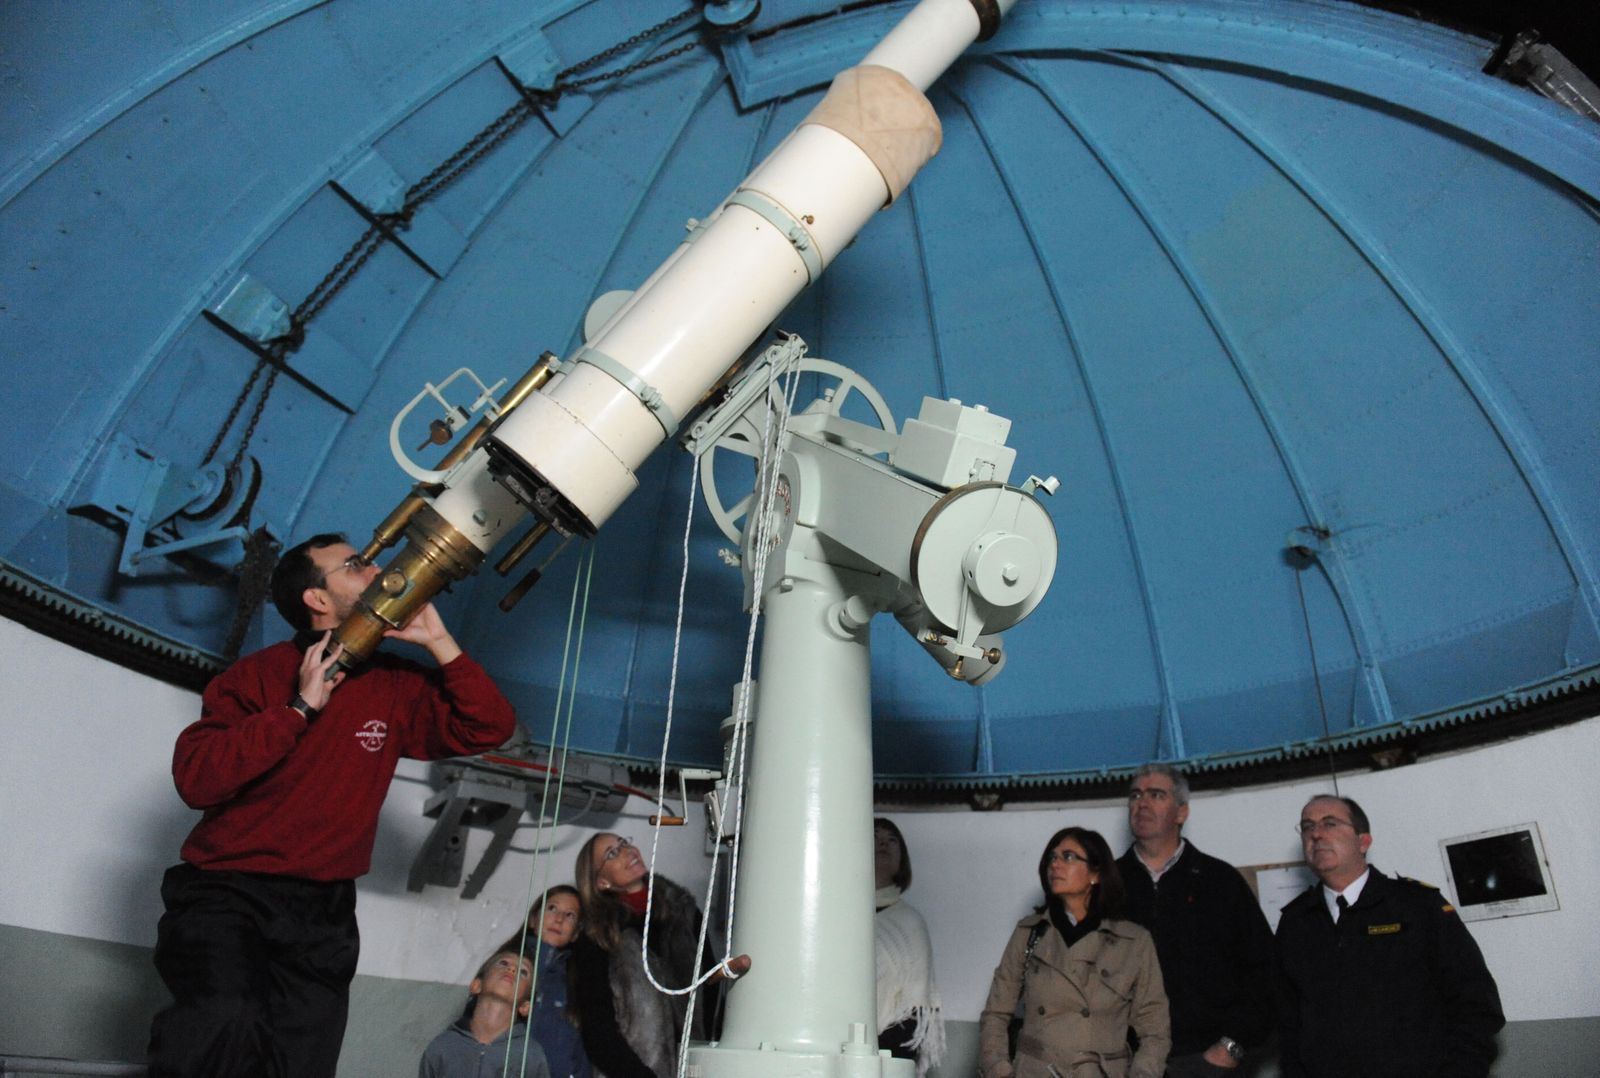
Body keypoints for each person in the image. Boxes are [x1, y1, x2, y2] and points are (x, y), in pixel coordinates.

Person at [147, 532, 517, 1077]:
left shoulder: (395, 684)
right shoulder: (256, 676)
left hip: (323, 913)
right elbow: (197, 779)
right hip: (228, 894)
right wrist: (298, 709)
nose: (376, 571)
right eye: (355, 565)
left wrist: (440, 642)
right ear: (317, 599)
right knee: (222, 1024)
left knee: (303, 1061)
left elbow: (489, 726)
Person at [1276, 794, 1505, 1077]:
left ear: (1363, 841)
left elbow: (1475, 1002)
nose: (1316, 834)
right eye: (1307, 826)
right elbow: (1289, 1020)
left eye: (1330, 823)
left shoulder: (1417, 906)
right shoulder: (1296, 922)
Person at [1116, 764, 1275, 1075]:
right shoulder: (1105, 885)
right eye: (1135, 795)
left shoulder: (1220, 881)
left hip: (1205, 1062)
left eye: (1156, 795)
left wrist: (1231, 1047)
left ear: (1181, 812)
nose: (1142, 803)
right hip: (1125, 1062)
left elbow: (1264, 973)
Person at [979, 827, 1170, 1078]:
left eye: (1068, 857)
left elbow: (1155, 1031)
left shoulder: (1133, 942)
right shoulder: (1030, 933)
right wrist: (999, 1070)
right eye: (1052, 857)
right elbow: (995, 1013)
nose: (1055, 864)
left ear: (1095, 873)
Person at [568, 833, 717, 1077]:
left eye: (624, 843)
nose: (627, 851)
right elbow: (597, 1027)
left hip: (694, 1069)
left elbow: (711, 990)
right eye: (612, 853)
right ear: (602, 882)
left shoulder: (685, 914)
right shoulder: (598, 936)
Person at [874, 817, 945, 1078]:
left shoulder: (910, 923)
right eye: (874, 837)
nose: (883, 843)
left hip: (887, 1058)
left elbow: (915, 1009)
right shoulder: (837, 917)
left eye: (891, 840)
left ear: (901, 859)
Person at [500, 885, 592, 1078]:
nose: (559, 919)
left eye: (570, 915)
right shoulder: (503, 968)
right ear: (533, 920)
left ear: (576, 933)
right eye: (552, 908)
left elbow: (580, 1053)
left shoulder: (576, 986)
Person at [419, 949, 552, 1078]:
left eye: (523, 972)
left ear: (525, 1007)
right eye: (503, 963)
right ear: (476, 985)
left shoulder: (530, 1056)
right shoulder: (443, 1046)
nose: (512, 969)